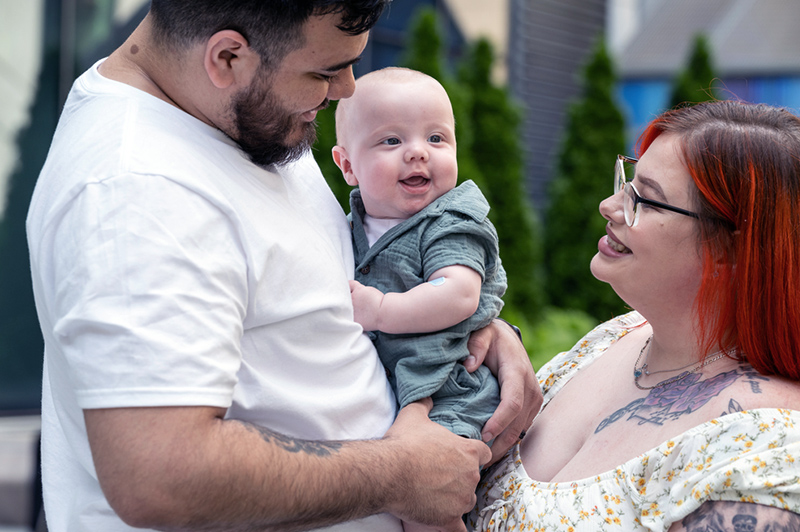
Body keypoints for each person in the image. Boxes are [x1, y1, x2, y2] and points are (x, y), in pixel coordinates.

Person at [25, 2, 542, 532]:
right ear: (227, 57)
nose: (345, 89)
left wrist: (468, 324)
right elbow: (161, 474)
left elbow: (313, 294)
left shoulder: (229, 117)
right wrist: (401, 476)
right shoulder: (136, 190)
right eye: (323, 71)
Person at [469, 100, 800, 531]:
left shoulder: (767, 450)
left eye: (646, 199)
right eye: (628, 180)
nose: (610, 206)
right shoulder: (613, 339)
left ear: (731, 249)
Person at [332, 67, 505, 449]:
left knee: (438, 475)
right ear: (347, 165)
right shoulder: (348, 225)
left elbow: (457, 292)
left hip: (452, 391)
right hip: (398, 390)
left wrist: (379, 310)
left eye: (436, 137)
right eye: (392, 140)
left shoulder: (450, 223)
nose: (417, 151)